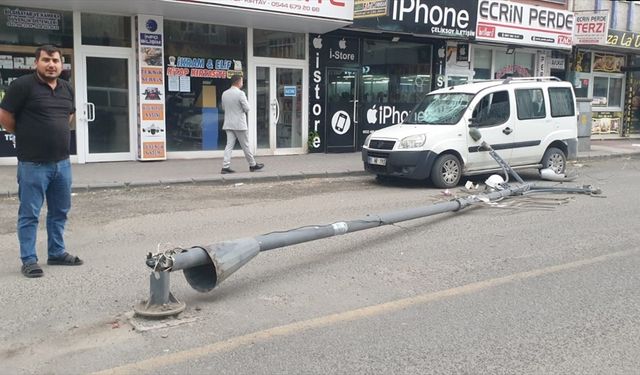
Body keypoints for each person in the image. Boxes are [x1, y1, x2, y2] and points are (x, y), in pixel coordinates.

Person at [0, 45, 83, 278]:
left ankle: (56, 252)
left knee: (60, 211)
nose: (51, 64)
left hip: (62, 164)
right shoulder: (22, 86)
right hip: (33, 165)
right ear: (36, 62)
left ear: (61, 64)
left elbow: (68, 116)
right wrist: (27, 133)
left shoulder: (67, 88)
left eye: (56, 60)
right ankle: (28, 259)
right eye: (46, 60)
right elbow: (5, 117)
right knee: (30, 214)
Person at [220, 75, 263, 173]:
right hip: (239, 124)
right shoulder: (240, 94)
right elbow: (247, 108)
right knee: (245, 145)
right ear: (238, 82)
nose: (242, 83)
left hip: (228, 123)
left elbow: (223, 107)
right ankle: (252, 165)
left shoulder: (224, 93)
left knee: (229, 145)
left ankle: (225, 166)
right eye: (242, 81)